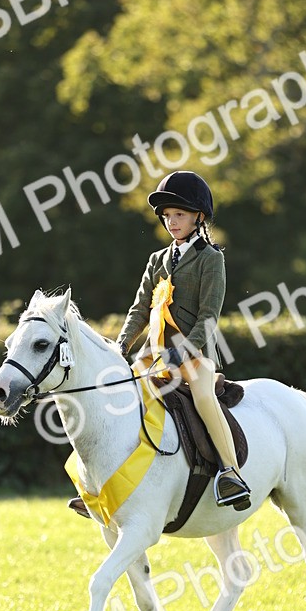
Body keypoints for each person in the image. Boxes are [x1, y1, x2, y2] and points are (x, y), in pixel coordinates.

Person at [116, 170, 251, 510]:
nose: (171, 222)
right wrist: (120, 346)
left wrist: (181, 353)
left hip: (194, 356)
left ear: (198, 217)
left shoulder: (211, 259)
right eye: (167, 216)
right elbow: (138, 311)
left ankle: (231, 471)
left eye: (179, 215)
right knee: (118, 395)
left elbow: (209, 317)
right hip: (155, 354)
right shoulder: (156, 261)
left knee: (204, 399)